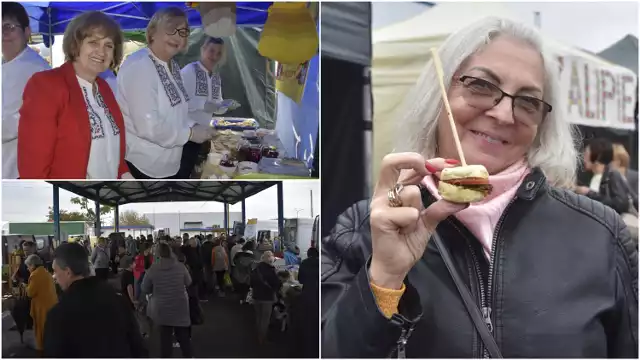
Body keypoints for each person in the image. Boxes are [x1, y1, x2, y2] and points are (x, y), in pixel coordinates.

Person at [321, 17, 637, 358]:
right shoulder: (363, 229)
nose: (504, 115)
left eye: (528, 101)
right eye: (481, 85)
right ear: (439, 94)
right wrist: (384, 278)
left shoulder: (600, 235)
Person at [17, 11, 131, 179]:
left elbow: (114, 154)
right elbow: (33, 170)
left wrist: (127, 178)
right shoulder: (46, 85)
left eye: (109, 45)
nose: (102, 51)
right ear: (75, 45)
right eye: (93, 42)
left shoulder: (104, 88)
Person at [117, 7, 214, 179]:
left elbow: (177, 111)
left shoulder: (173, 66)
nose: (178, 35)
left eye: (183, 31)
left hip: (170, 163)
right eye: (171, 29)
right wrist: (191, 134)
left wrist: (194, 125)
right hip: (145, 166)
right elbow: (149, 127)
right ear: (152, 33)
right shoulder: (140, 66)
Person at [44, 243, 147, 357]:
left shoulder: (58, 315)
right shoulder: (117, 299)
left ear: (68, 272)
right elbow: (137, 346)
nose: (54, 276)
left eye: (55, 271)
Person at [2, 2, 50, 179]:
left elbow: (27, 119)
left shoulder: (39, 71)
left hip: (19, 168)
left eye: (10, 26)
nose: (4, 33)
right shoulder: (5, 65)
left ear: (27, 32)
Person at [141, 242, 193, 357]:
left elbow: (144, 288)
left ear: (157, 254)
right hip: (180, 305)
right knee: (183, 337)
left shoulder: (152, 269)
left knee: (165, 339)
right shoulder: (180, 266)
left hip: (161, 308)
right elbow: (189, 282)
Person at [575, 138, 633, 214]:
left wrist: (589, 193)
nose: (583, 158)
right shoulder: (588, 176)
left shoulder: (612, 175)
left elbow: (621, 204)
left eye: (586, 154)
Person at [25, 254, 58, 354]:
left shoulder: (35, 275)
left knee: (40, 327)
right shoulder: (45, 272)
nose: (27, 268)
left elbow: (30, 293)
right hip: (51, 303)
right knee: (49, 327)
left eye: (28, 266)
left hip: (41, 307)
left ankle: (41, 348)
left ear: (32, 265)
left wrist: (25, 287)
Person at [250, 251, 281, 345]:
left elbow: (251, 283)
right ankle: (262, 337)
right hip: (267, 297)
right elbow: (277, 284)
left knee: (258, 317)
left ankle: (258, 335)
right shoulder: (271, 270)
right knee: (265, 319)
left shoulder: (256, 269)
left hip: (256, 296)